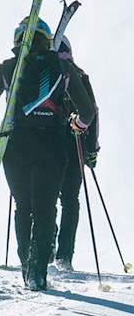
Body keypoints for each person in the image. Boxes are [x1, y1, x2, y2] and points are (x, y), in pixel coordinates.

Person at [0, 19, 95, 291]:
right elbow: (87, 111)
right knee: (44, 207)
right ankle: (38, 271)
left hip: (15, 146)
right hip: (53, 146)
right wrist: (78, 125)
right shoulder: (63, 67)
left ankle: (27, 266)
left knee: (23, 206)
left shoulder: (8, 68)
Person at [52, 36, 100, 272]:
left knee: (45, 198)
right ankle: (64, 256)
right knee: (70, 200)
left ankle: (44, 248)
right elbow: (92, 111)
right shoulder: (79, 75)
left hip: (47, 142)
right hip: (75, 143)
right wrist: (92, 150)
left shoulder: (46, 71)